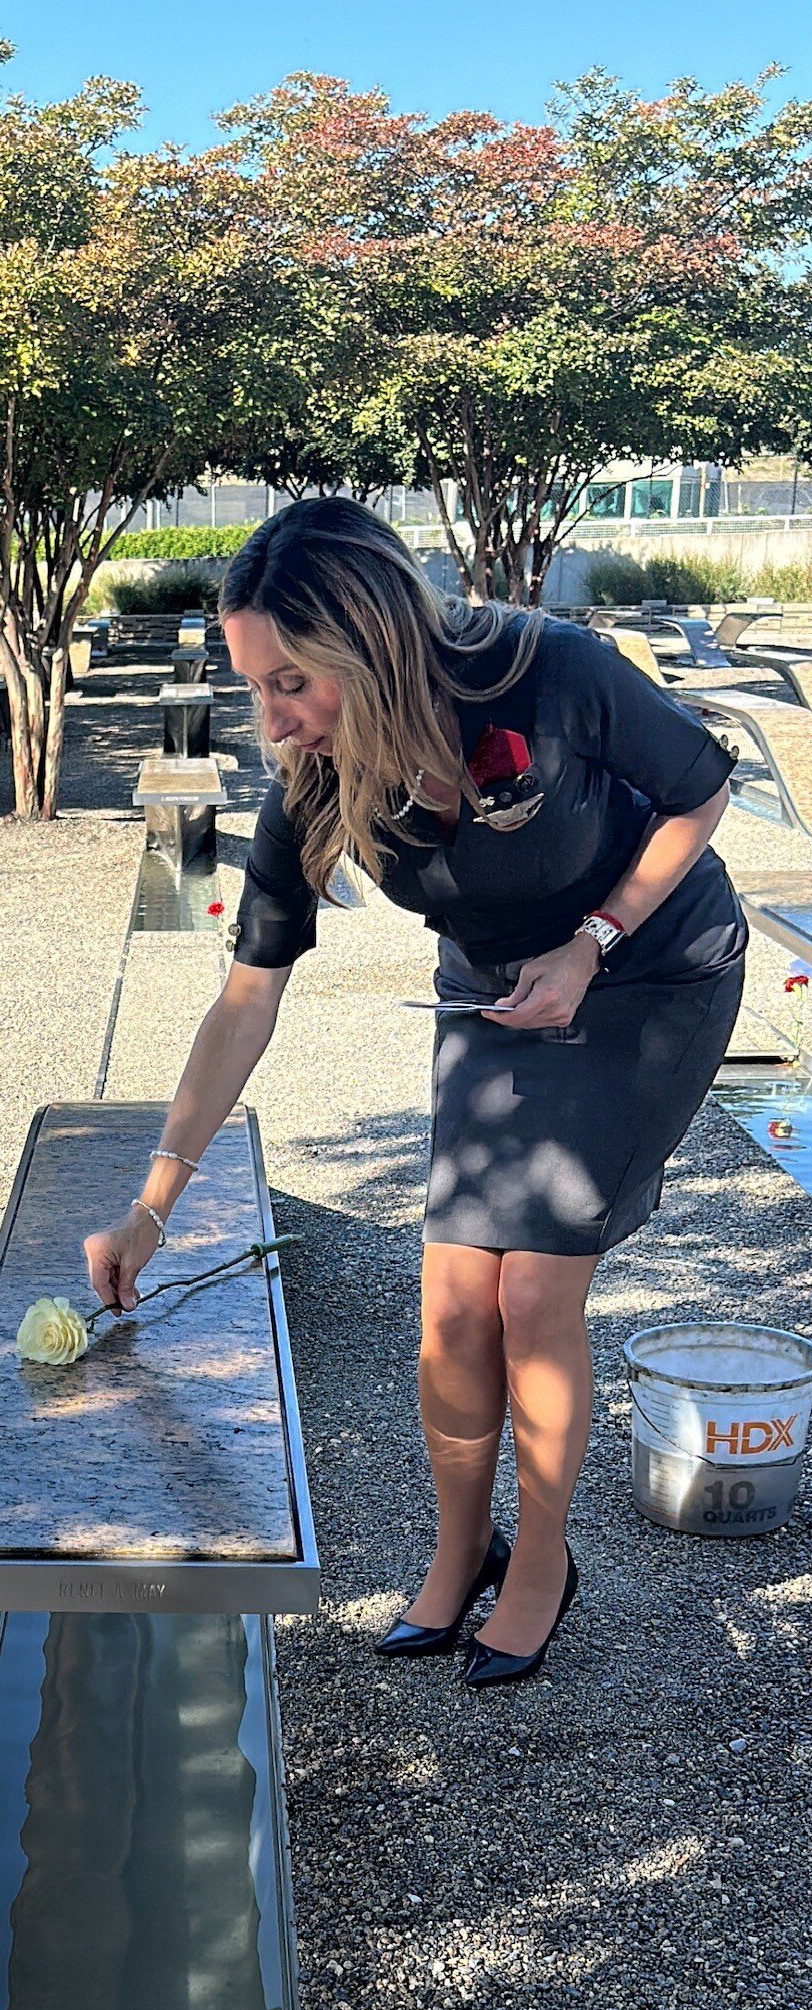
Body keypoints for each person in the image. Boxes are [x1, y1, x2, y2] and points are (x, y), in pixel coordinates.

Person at [83, 500, 744, 1689]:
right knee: (451, 1300)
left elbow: (702, 789)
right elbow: (245, 1000)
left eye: (291, 683)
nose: (272, 721)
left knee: (533, 1288)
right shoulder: (315, 780)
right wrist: (152, 1207)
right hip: (495, 991)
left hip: (649, 970)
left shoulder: (550, 673)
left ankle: (541, 1560)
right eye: (256, 688)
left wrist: (593, 940)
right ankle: (459, 1550)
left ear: (371, 643)